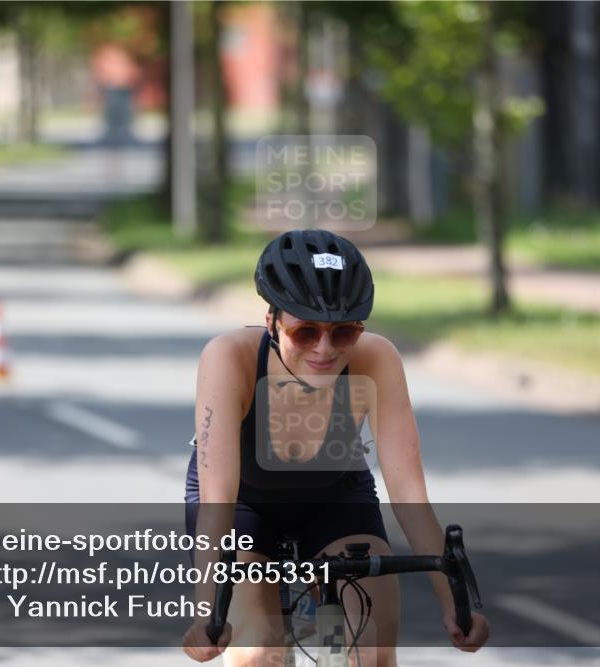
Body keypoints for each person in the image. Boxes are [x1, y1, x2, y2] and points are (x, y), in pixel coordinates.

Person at [181, 229, 490, 665]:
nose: (324, 350)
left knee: (372, 652)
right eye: (305, 333)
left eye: (344, 333)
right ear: (272, 322)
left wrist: (455, 603)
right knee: (257, 652)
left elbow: (408, 494)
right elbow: (218, 498)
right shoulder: (229, 357)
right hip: (244, 507)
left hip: (335, 500)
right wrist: (206, 615)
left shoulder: (377, 358)